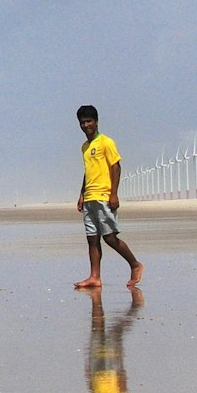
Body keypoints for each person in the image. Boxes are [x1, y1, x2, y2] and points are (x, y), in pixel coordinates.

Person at [74, 105, 143, 291]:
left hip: (104, 196)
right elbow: (87, 172)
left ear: (96, 122)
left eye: (89, 121)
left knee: (110, 237)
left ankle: (135, 264)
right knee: (92, 239)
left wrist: (114, 193)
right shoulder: (85, 147)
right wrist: (81, 195)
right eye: (82, 122)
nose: (86, 125)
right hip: (89, 197)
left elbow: (115, 166)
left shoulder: (106, 142)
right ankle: (94, 277)